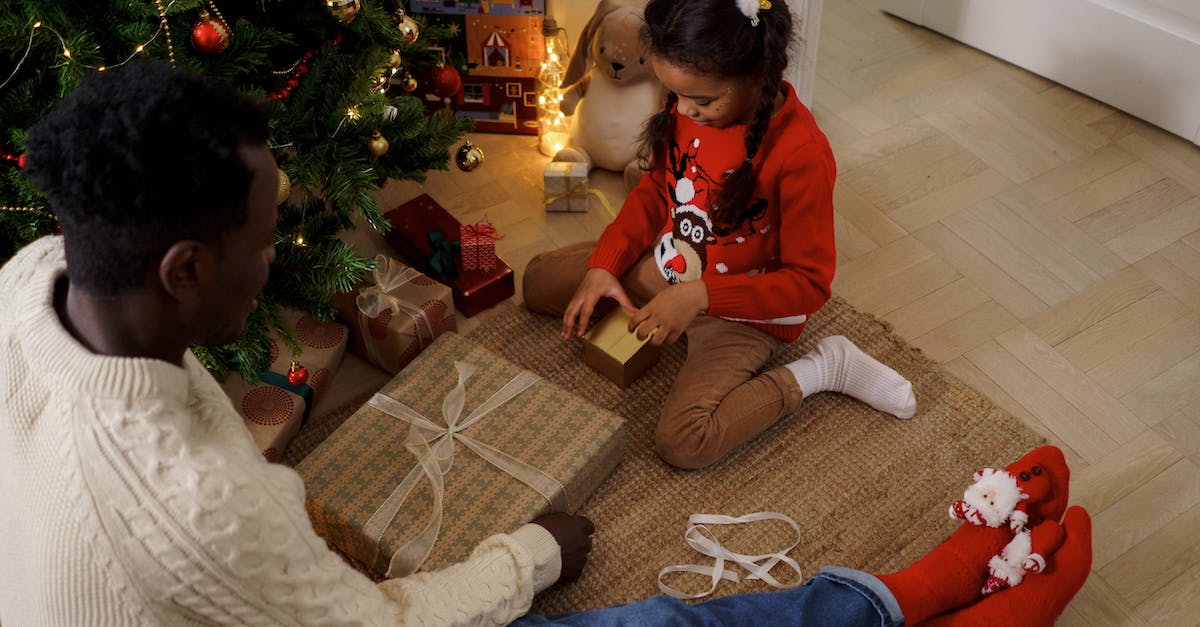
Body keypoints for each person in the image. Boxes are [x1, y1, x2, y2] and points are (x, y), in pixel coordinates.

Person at [0, 60, 594, 626]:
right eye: (262, 242)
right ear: (184, 272)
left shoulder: (29, 275)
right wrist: (530, 558)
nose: (274, 257)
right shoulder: (208, 510)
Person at [524, 0, 917, 470]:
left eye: (701, 101)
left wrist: (700, 297)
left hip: (741, 314)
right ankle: (634, 292)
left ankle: (825, 368)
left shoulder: (802, 155)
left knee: (685, 441)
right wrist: (605, 264)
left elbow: (809, 284)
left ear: (756, 71)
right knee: (536, 282)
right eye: (675, 94)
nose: (684, 109)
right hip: (669, 268)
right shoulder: (689, 100)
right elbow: (655, 193)